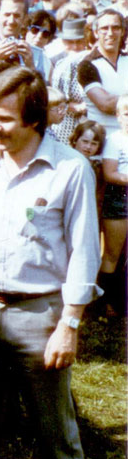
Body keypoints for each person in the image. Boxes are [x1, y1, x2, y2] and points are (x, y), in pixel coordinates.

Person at [0, 66, 99, 459]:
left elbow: (84, 251)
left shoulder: (71, 170)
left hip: (40, 317)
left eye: (3, 119)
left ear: (34, 119)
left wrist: (69, 325)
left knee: (56, 438)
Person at [0, 0, 52, 82]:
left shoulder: (35, 54)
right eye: (7, 15)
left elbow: (42, 92)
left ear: (25, 18)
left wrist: (31, 67)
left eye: (17, 16)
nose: (11, 21)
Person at [98, 95, 128, 315]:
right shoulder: (115, 140)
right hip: (120, 199)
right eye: (126, 113)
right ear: (118, 116)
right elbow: (110, 174)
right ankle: (106, 305)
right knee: (111, 255)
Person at [77, 9, 128, 135]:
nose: (110, 33)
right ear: (95, 33)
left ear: (122, 31)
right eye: (105, 28)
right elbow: (105, 104)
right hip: (101, 142)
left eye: (115, 28)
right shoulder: (87, 65)